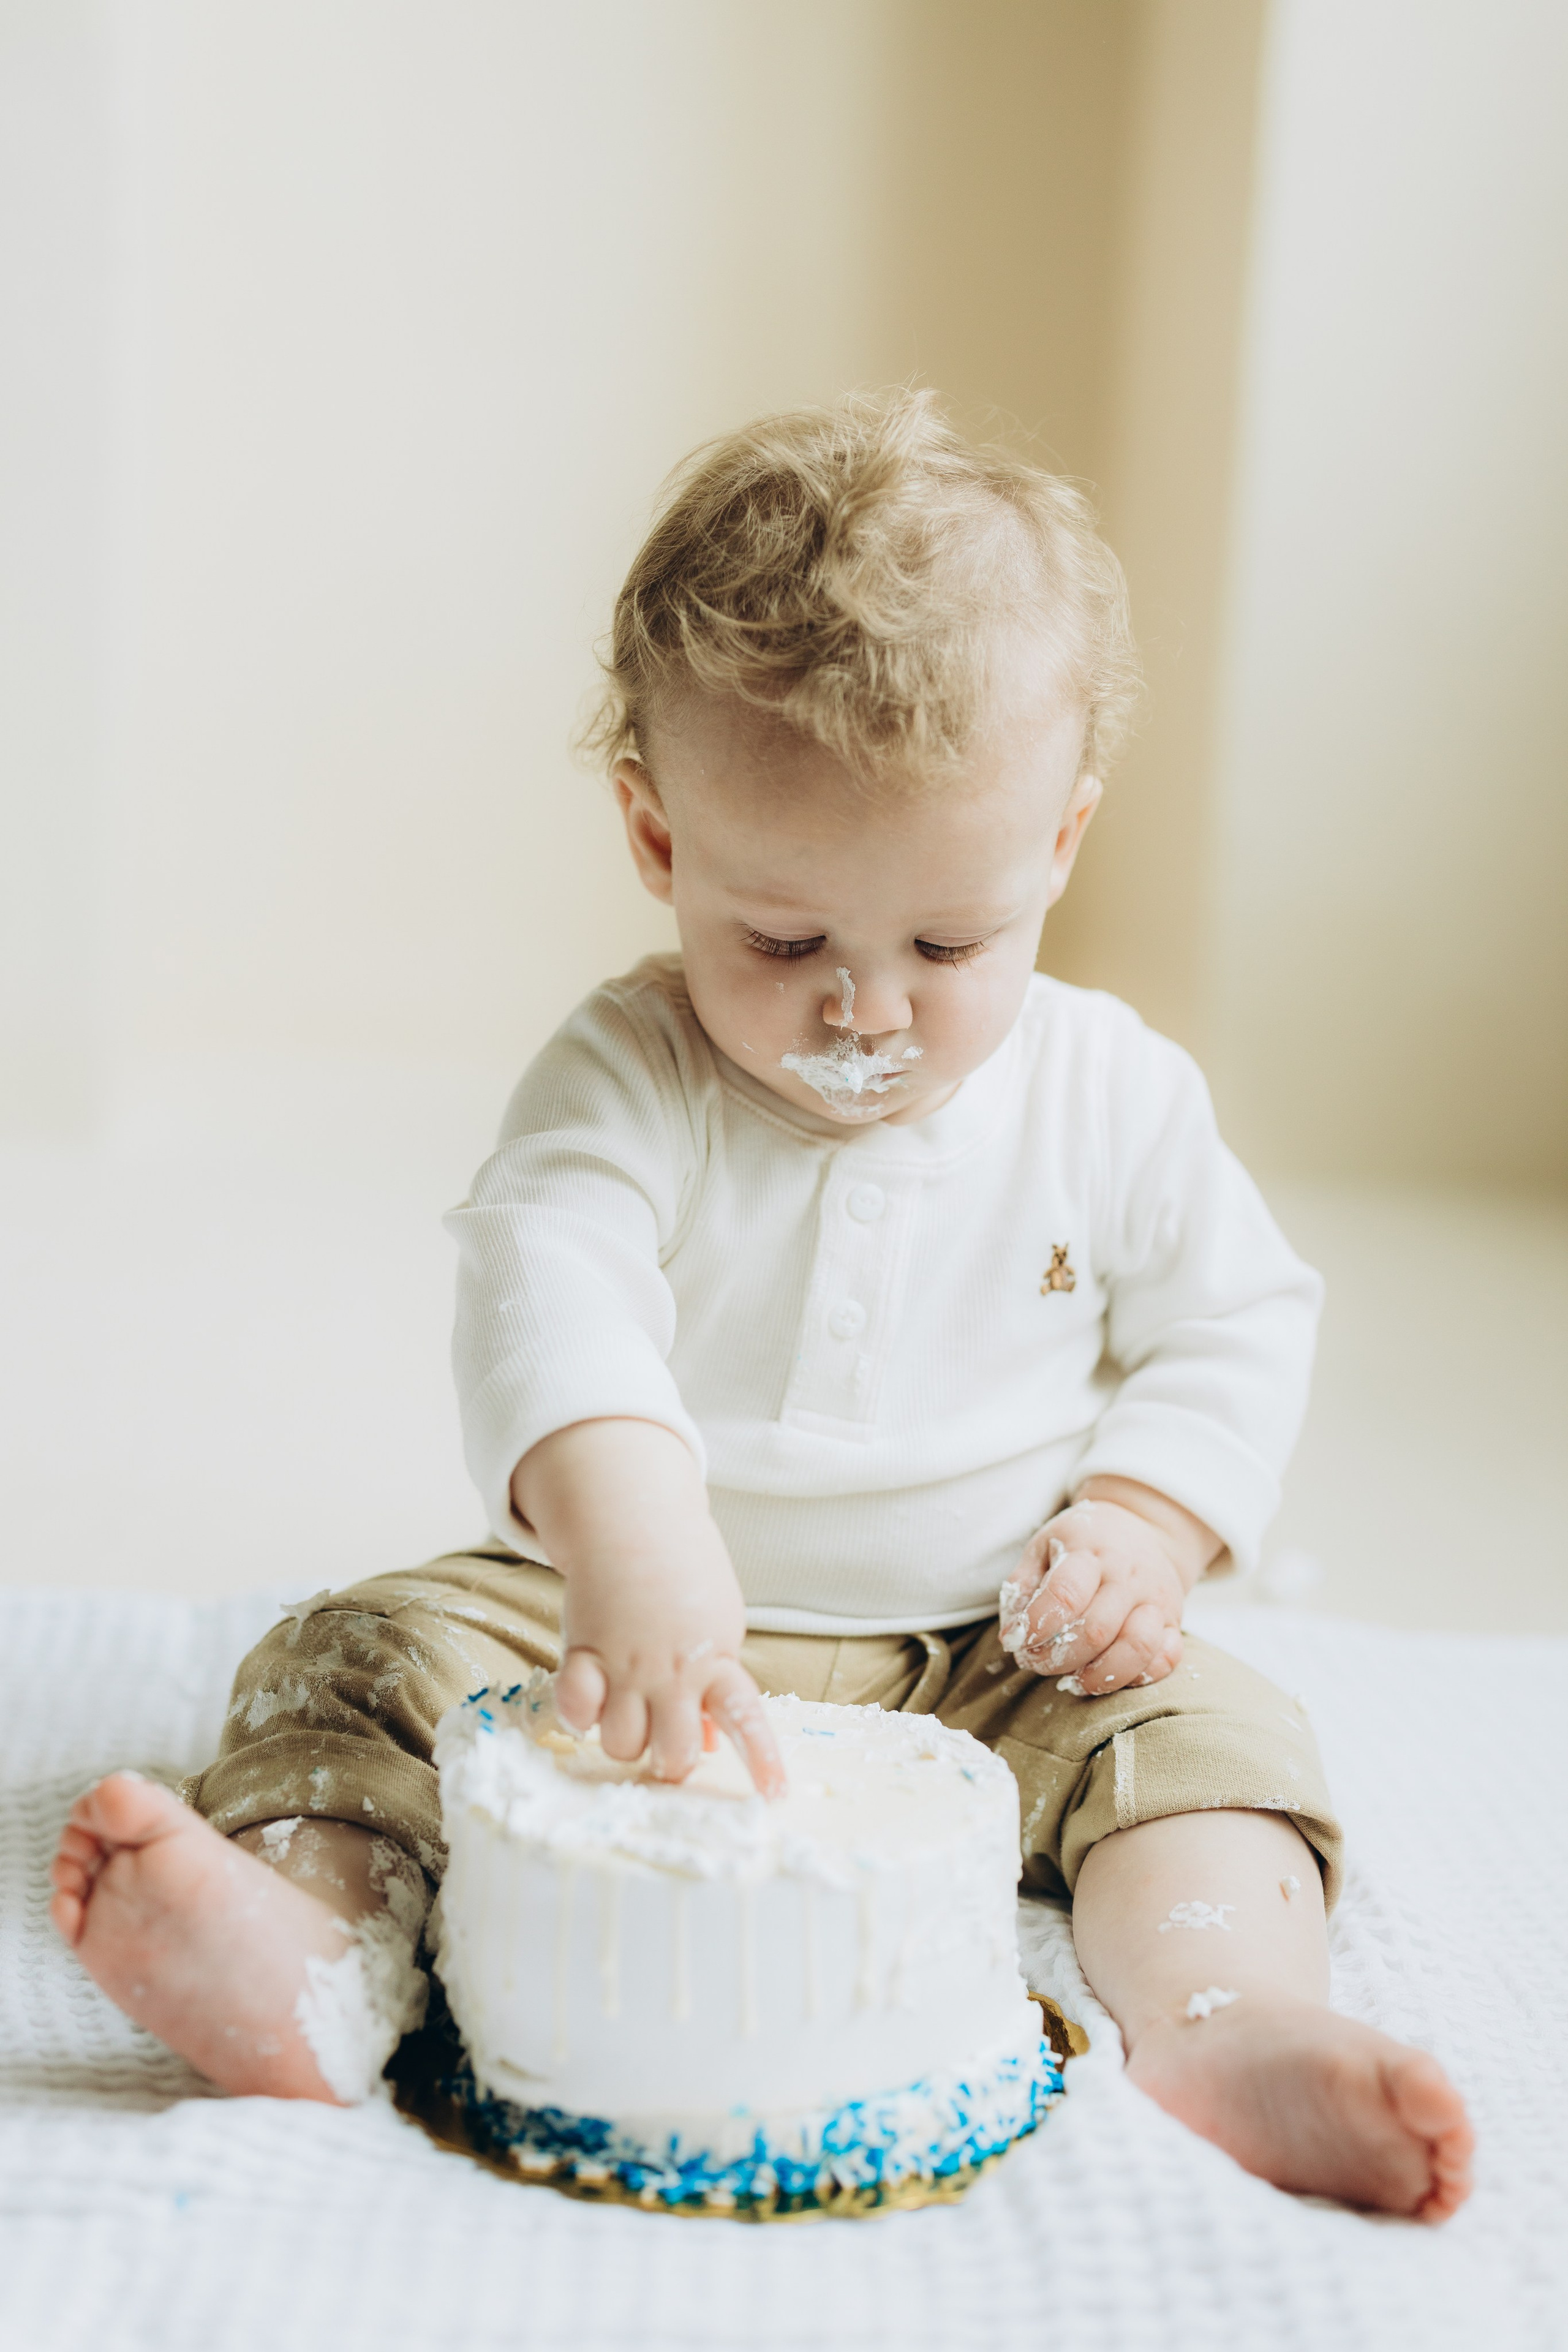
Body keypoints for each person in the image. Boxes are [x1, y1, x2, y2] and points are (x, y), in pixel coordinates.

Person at [50, 390, 1472, 2218]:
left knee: (1220, 1745)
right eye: (785, 942)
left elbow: (1242, 1318)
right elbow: (546, 1277)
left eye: (948, 947)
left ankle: (1225, 2011)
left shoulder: (1114, 1093)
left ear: (1061, 841)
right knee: (368, 1656)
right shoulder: (625, 1074)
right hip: (616, 1619)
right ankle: (316, 1951)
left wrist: (1144, 1519)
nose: (866, 1011)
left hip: (1000, 1635)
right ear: (658, 842)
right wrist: (638, 1545)